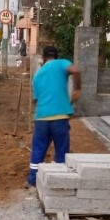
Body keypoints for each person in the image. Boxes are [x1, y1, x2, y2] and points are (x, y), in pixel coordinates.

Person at [27, 46, 82, 187]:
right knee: (61, 149)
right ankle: (60, 179)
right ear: (56, 56)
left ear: (43, 58)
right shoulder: (61, 63)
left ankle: (33, 179)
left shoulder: (37, 75)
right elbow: (75, 70)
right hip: (60, 116)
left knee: (38, 149)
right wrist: (78, 89)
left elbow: (35, 100)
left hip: (41, 118)